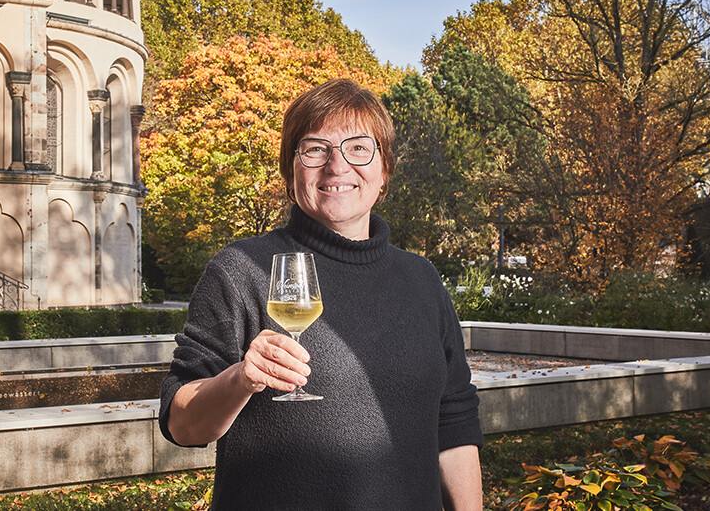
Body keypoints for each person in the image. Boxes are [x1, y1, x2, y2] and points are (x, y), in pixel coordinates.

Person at [159, 78, 483, 510]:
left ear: (383, 171)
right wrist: (240, 379)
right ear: (290, 170)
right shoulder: (241, 269)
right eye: (315, 149)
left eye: (359, 148)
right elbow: (181, 423)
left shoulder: (421, 278)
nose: (337, 166)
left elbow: (455, 420)